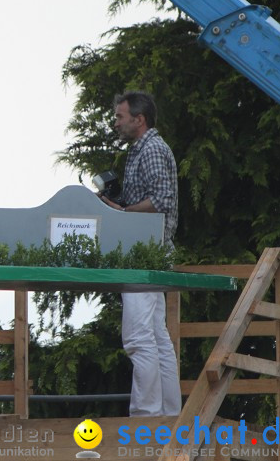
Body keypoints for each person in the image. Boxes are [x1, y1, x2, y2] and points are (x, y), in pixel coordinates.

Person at [100, 91, 181, 417]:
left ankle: (146, 418)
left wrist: (120, 212)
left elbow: (160, 202)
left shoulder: (151, 150)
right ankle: (171, 416)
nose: (116, 122)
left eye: (120, 116)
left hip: (144, 253)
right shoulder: (144, 149)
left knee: (138, 338)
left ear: (139, 118)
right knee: (157, 337)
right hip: (152, 251)